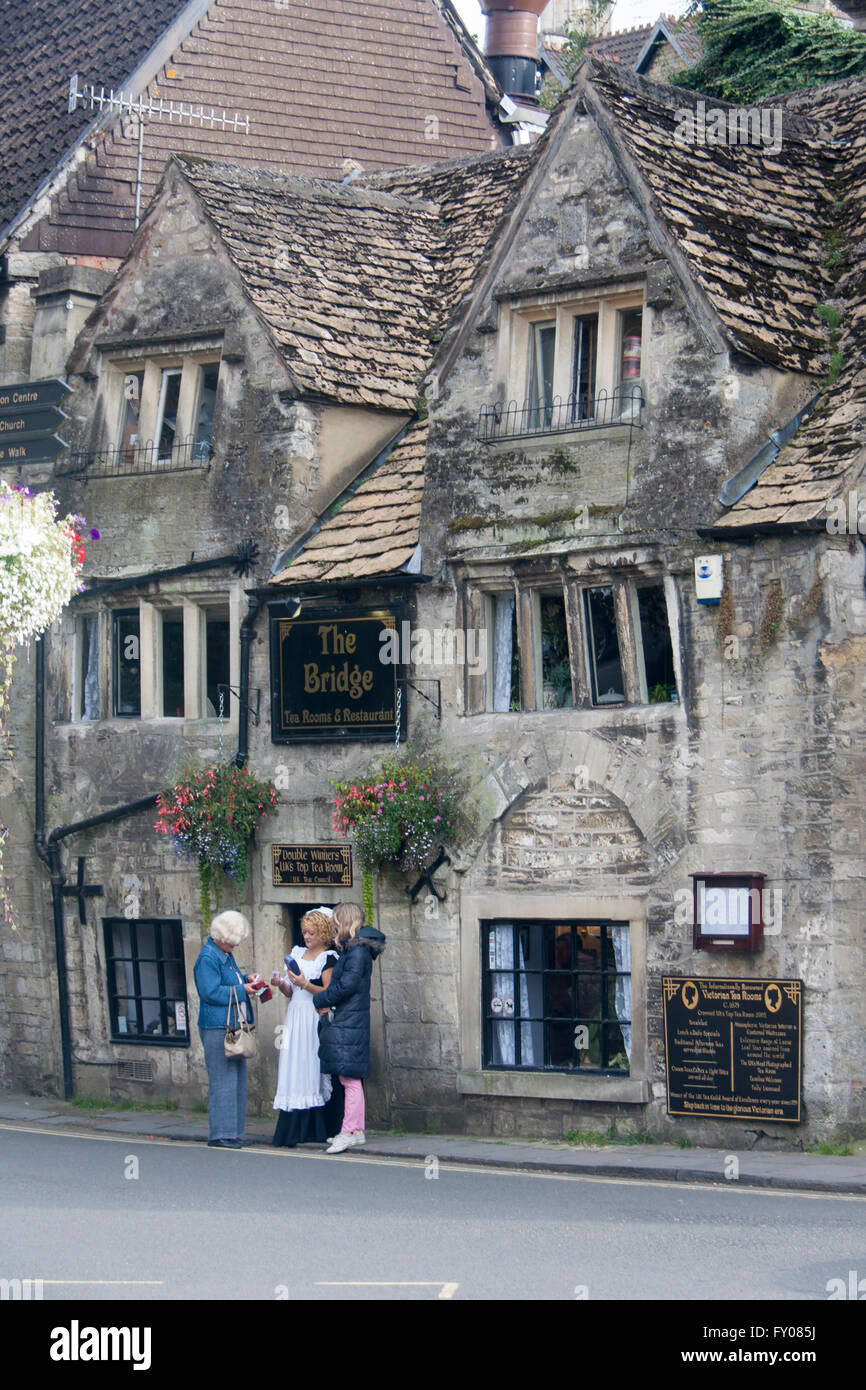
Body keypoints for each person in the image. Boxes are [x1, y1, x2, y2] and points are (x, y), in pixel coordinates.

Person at [298, 901, 386, 1153]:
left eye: (337, 920)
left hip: (349, 1020)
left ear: (345, 922)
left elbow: (346, 986)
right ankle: (356, 1130)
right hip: (349, 1020)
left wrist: (320, 998)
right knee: (350, 1076)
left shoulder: (356, 952)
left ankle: (348, 1132)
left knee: (349, 1078)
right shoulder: (354, 950)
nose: (334, 925)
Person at [270, 909, 343, 1147]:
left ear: (323, 932)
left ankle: (315, 1126)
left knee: (312, 1064)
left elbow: (329, 993)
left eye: (312, 932)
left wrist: (305, 984)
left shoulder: (328, 957)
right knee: (295, 1064)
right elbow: (292, 993)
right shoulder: (297, 953)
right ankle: (293, 1126)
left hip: (313, 1016)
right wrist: (282, 983)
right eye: (304, 932)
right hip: (295, 1015)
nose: (307, 936)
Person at [194, 910, 264, 1149]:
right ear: (222, 936)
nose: (236, 945)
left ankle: (232, 1132)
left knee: (236, 1079)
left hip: (230, 1025)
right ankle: (220, 1135)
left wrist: (246, 978)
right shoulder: (208, 958)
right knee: (223, 1080)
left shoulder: (224, 954)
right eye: (233, 940)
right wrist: (245, 989)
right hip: (216, 1026)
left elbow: (229, 982)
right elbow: (210, 993)